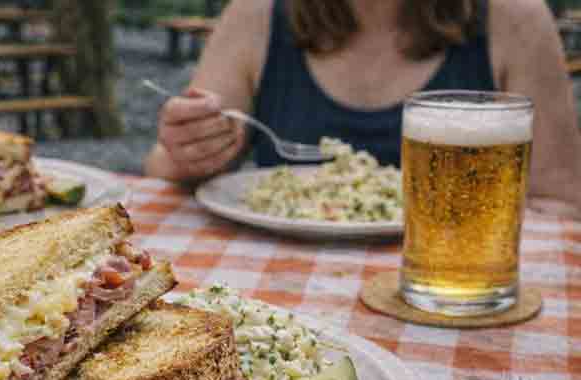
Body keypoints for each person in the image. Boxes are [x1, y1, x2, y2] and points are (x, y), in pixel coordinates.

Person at [144, 0, 581, 217]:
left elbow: (560, 205)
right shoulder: (255, 13)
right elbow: (164, 170)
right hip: (288, 287)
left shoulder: (515, 16)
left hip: (451, 290)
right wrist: (190, 149)